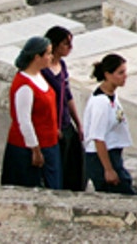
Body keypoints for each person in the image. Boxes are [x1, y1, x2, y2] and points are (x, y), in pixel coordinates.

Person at [2, 36, 61, 189]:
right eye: (48, 54)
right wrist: (35, 149)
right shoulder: (24, 85)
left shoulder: (39, 76)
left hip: (49, 144)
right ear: (37, 57)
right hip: (30, 149)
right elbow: (24, 120)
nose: (51, 57)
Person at [82, 54, 134, 195]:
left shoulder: (112, 96)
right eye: (120, 73)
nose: (125, 76)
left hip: (113, 153)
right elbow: (98, 138)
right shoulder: (101, 102)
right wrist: (108, 169)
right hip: (101, 157)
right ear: (107, 74)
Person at [43, 26, 85, 191]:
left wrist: (78, 123)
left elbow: (67, 96)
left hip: (66, 123)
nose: (70, 47)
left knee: (74, 166)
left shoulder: (61, 65)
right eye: (66, 43)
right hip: (53, 127)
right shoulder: (44, 71)